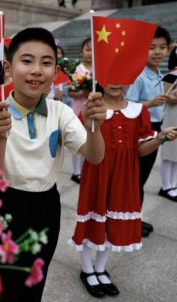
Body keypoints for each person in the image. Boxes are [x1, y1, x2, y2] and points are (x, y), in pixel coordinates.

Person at [0, 27, 106, 302]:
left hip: (47, 205)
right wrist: (1, 136)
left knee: (36, 278)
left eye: (46, 62)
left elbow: (94, 156)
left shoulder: (60, 112)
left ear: (55, 70)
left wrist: (95, 126)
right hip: (5, 205)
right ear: (8, 68)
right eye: (27, 61)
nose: (37, 70)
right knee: (1, 280)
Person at [69, 82, 177, 298]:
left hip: (124, 177)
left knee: (113, 222)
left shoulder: (139, 111)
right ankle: (87, 269)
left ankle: (100, 268)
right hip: (97, 174)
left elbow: (140, 150)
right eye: (110, 77)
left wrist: (159, 138)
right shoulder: (93, 108)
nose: (116, 83)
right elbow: (78, 145)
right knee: (92, 221)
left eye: (121, 77)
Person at [126, 26, 171, 237]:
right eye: (151, 47)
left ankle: (135, 217)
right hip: (142, 130)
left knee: (140, 178)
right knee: (137, 178)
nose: (157, 52)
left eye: (162, 47)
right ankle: (130, 221)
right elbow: (127, 106)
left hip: (155, 127)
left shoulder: (157, 73)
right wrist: (151, 103)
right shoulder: (139, 75)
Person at [68, 38, 92, 184]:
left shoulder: (99, 68)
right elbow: (71, 93)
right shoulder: (77, 70)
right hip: (78, 109)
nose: (90, 53)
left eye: (92, 50)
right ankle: (76, 172)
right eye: (87, 49)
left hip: (93, 110)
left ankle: (85, 169)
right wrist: (84, 92)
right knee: (77, 140)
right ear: (81, 52)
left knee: (89, 139)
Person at [159, 46, 177, 200]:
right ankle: (165, 187)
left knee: (176, 154)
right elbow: (165, 96)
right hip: (171, 116)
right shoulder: (171, 75)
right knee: (168, 153)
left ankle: (173, 184)